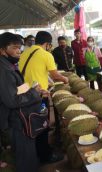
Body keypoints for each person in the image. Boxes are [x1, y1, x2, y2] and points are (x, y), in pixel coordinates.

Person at [19, 31, 68, 164]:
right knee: (42, 124)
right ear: (47, 44)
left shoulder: (24, 53)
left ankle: (38, 151)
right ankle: (45, 156)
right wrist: (65, 79)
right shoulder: (46, 55)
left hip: (24, 94)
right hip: (38, 96)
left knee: (32, 124)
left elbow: (32, 71)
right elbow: (55, 75)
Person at [0, 32, 44, 172]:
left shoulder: (9, 65)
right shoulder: (4, 70)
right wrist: (34, 93)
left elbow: (17, 89)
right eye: (14, 48)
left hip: (19, 118)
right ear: (2, 50)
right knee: (25, 158)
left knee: (27, 153)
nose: (19, 51)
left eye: (20, 47)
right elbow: (12, 100)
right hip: (15, 121)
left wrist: (31, 88)